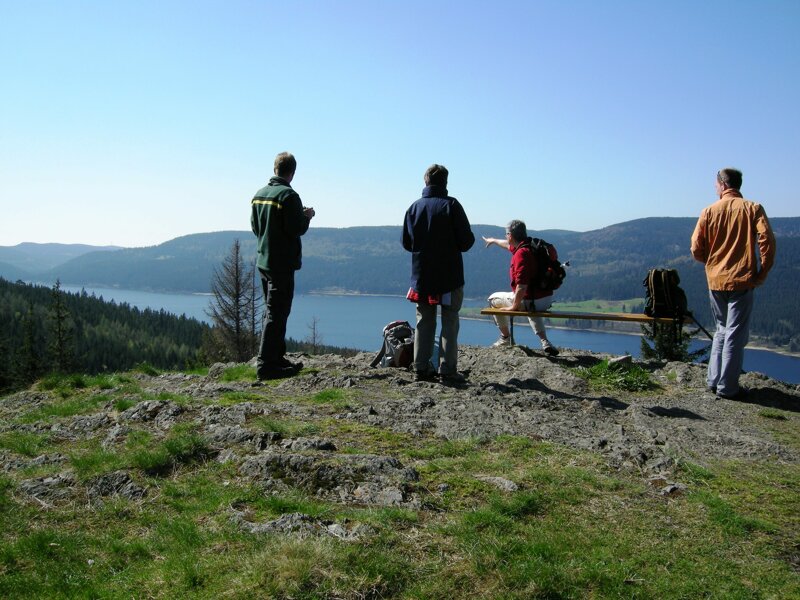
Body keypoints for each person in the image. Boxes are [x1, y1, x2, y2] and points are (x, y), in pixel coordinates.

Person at [691, 167, 776, 399]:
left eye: (716, 184)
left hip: (716, 280)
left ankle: (713, 380)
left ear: (723, 185)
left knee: (721, 329)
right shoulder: (753, 208)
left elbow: (696, 248)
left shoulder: (708, 211)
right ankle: (728, 387)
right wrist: (762, 271)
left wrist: (710, 263)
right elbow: (767, 240)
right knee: (735, 333)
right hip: (742, 278)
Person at [403, 164, 475, 382]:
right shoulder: (452, 206)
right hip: (449, 277)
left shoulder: (414, 207)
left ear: (425, 181)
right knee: (450, 321)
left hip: (422, 276)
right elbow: (466, 242)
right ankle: (447, 369)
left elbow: (407, 243)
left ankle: (421, 367)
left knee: (424, 321)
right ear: (445, 182)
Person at [251, 152, 315, 380]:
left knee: (272, 311)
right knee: (277, 313)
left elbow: (256, 227)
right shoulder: (288, 196)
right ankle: (266, 366)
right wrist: (307, 216)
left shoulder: (259, 196)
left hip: (264, 262)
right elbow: (296, 228)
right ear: (292, 172)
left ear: (275, 168)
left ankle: (276, 357)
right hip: (281, 265)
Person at [483, 220, 559, 356]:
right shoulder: (532, 246)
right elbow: (507, 245)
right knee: (531, 304)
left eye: (506, 234)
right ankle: (545, 341)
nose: (506, 237)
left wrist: (513, 307)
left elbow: (521, 286)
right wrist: (493, 240)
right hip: (546, 299)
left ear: (510, 235)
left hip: (532, 300)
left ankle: (505, 338)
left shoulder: (521, 254)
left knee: (493, 299)